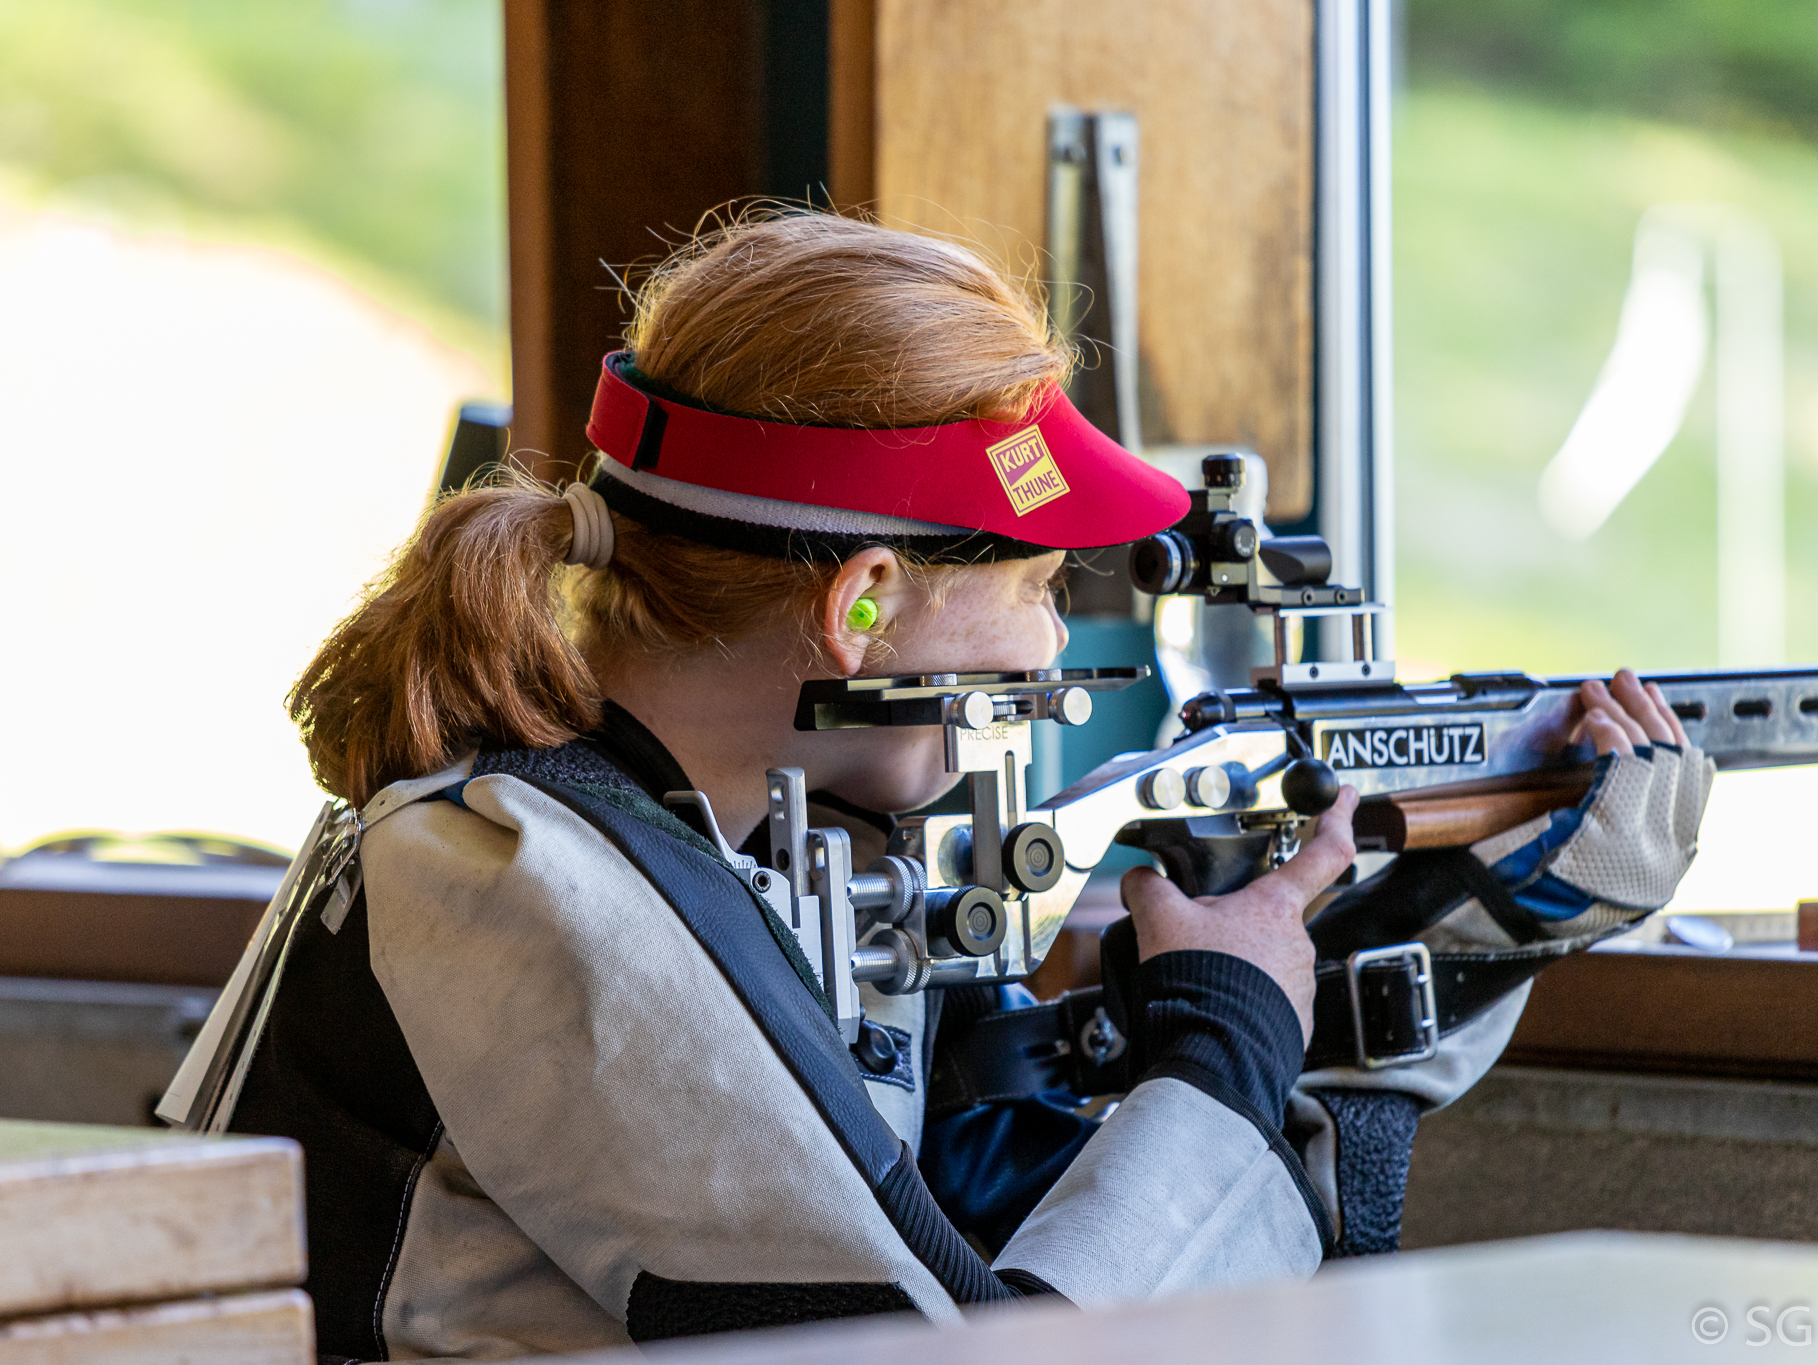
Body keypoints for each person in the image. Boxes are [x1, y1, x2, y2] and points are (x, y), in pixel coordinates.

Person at [226, 210, 1710, 1361]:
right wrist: (1221, 1047)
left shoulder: (666, 838)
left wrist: (1488, 912)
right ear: (862, 604)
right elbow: (976, 1351)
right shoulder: (538, 892)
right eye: (1039, 585)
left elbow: (989, 1216)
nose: (1053, 641)